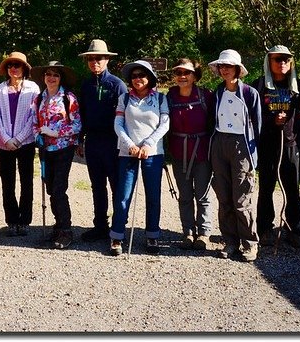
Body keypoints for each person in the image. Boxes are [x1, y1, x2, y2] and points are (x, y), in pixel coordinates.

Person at [249, 45, 300, 248]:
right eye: (277, 59)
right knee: (266, 188)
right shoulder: (259, 86)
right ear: (269, 62)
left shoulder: (297, 85)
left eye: (286, 59)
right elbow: (253, 115)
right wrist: (273, 119)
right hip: (267, 145)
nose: (282, 63)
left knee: (292, 188)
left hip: (290, 143)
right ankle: (265, 229)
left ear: (291, 63)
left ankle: (293, 228)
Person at [109, 60, 170, 256]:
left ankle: (152, 235)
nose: (138, 79)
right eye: (134, 76)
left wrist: (148, 144)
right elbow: (118, 125)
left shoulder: (160, 99)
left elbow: (164, 124)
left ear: (150, 78)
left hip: (152, 154)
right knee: (123, 196)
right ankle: (117, 236)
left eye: (142, 75)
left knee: (153, 196)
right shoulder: (124, 98)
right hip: (128, 153)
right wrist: (131, 146)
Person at [207, 49, 262, 262]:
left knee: (242, 197)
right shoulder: (218, 92)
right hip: (220, 142)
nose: (224, 70)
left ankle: (249, 243)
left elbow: (257, 127)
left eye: (228, 66)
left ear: (238, 69)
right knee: (224, 196)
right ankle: (230, 241)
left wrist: (254, 154)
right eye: (221, 66)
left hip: (242, 145)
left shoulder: (249, 93)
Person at [77, 39, 128, 242]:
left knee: (117, 185)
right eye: (90, 58)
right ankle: (100, 225)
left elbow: (126, 115)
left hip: (113, 142)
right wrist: (80, 139)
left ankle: (118, 227)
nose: (94, 62)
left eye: (98, 58)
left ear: (107, 59)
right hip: (93, 142)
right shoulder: (86, 84)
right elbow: (82, 113)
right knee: (97, 186)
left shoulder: (117, 84)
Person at [31, 61, 82, 250]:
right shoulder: (39, 99)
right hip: (46, 150)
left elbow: (77, 125)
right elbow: (35, 122)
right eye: (48, 74)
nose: (51, 78)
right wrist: (38, 134)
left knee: (59, 189)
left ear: (61, 79)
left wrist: (55, 132)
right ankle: (58, 224)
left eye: (55, 75)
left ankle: (65, 229)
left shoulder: (69, 99)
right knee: (51, 189)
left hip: (63, 149)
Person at [166, 58, 216, 250]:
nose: (182, 76)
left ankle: (203, 233)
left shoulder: (206, 96)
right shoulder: (170, 97)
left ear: (195, 76)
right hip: (179, 153)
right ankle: (187, 232)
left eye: (186, 73)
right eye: (178, 73)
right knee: (185, 194)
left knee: (202, 195)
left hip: (202, 152)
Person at [0, 52, 41, 236]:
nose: (13, 68)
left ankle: (25, 220)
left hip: (26, 142)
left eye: (17, 65)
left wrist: (19, 138)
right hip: (4, 143)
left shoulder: (33, 88)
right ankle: (11, 220)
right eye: (10, 65)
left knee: (26, 181)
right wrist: (6, 138)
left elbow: (33, 116)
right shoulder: (0, 89)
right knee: (8, 182)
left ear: (24, 69)